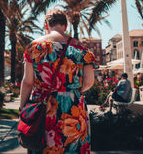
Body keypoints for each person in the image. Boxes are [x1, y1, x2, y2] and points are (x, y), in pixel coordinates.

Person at [20, 9, 98, 153]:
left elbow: (27, 82)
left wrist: (23, 107)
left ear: (46, 25)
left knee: (45, 146)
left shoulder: (34, 48)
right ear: (65, 26)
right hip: (74, 107)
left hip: (43, 106)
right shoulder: (82, 50)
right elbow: (89, 82)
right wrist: (71, 92)